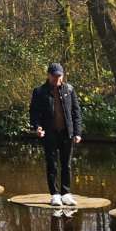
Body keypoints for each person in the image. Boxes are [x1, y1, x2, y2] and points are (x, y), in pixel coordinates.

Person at [29, 63, 83, 207]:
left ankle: (66, 193)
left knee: (66, 164)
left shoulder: (69, 89)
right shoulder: (39, 91)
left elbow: (76, 113)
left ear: (63, 75)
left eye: (59, 76)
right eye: (54, 76)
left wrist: (77, 132)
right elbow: (34, 113)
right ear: (48, 75)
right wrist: (37, 126)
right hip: (49, 133)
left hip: (67, 133)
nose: (57, 79)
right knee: (52, 164)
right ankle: (55, 194)